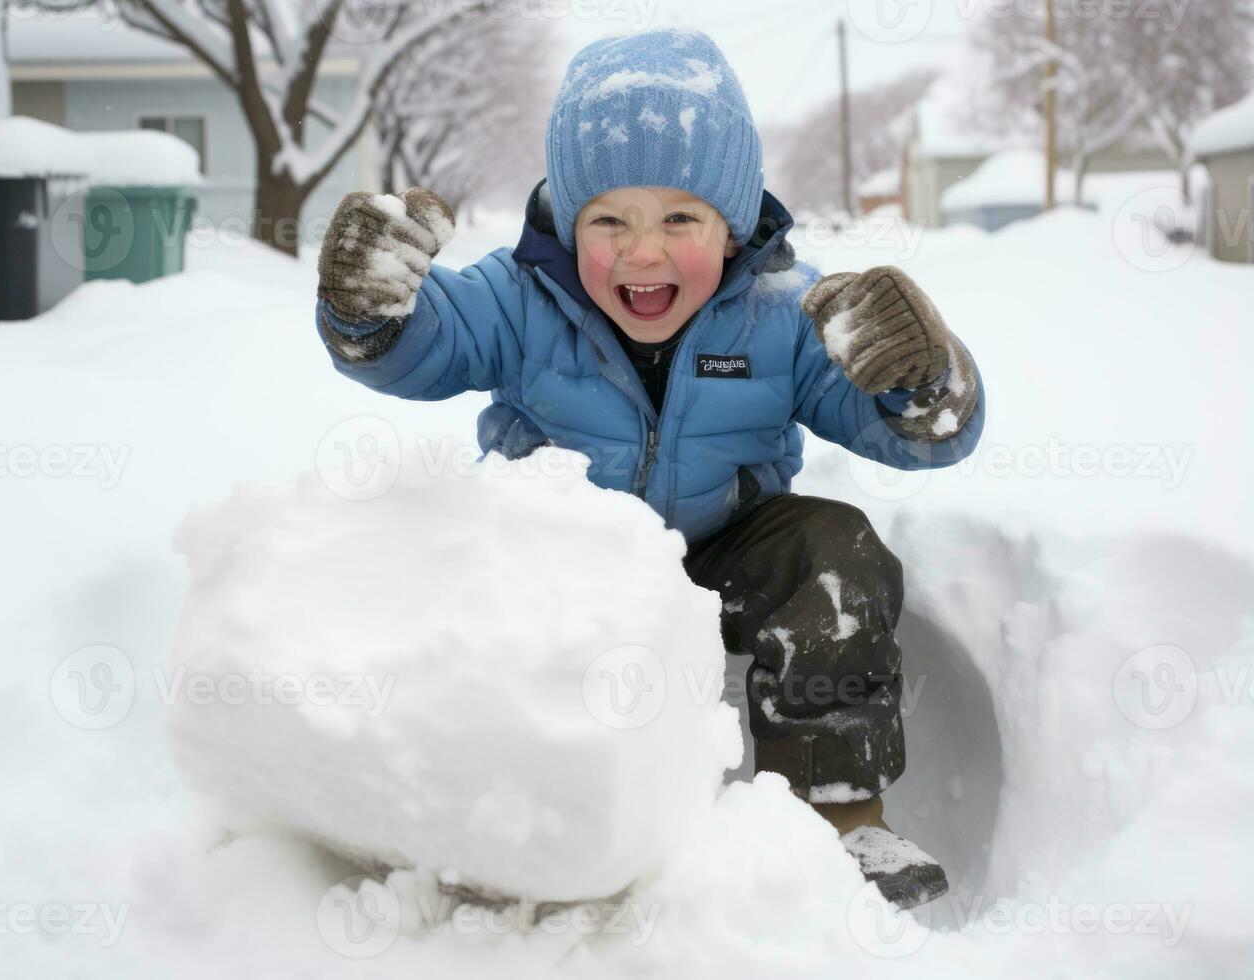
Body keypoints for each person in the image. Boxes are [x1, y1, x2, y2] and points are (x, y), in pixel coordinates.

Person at [313, 28, 984, 911]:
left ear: (732, 224)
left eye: (679, 218)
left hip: (722, 552)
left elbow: (912, 435)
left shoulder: (784, 315)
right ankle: (514, 815)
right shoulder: (518, 298)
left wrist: (919, 384)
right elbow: (427, 345)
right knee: (480, 589)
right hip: (563, 556)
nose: (642, 252)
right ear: (567, 221)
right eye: (608, 221)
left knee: (832, 550)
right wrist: (370, 313)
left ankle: (839, 820)